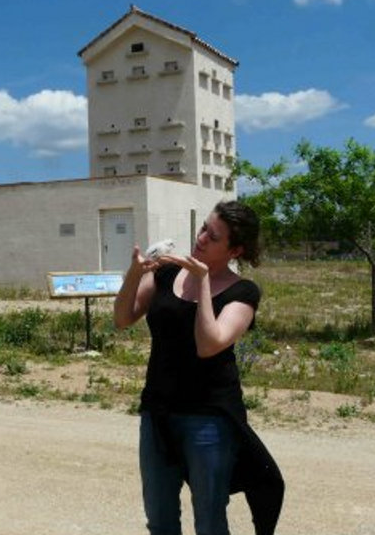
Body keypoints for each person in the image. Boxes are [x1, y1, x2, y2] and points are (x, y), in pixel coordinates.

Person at [114, 200, 284, 535]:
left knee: (209, 520)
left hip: (209, 420)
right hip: (158, 412)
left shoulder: (243, 292)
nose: (202, 237)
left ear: (234, 250)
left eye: (214, 235)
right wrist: (135, 273)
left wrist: (202, 281)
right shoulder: (165, 274)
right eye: (204, 227)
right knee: (160, 519)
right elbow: (122, 318)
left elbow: (208, 344)